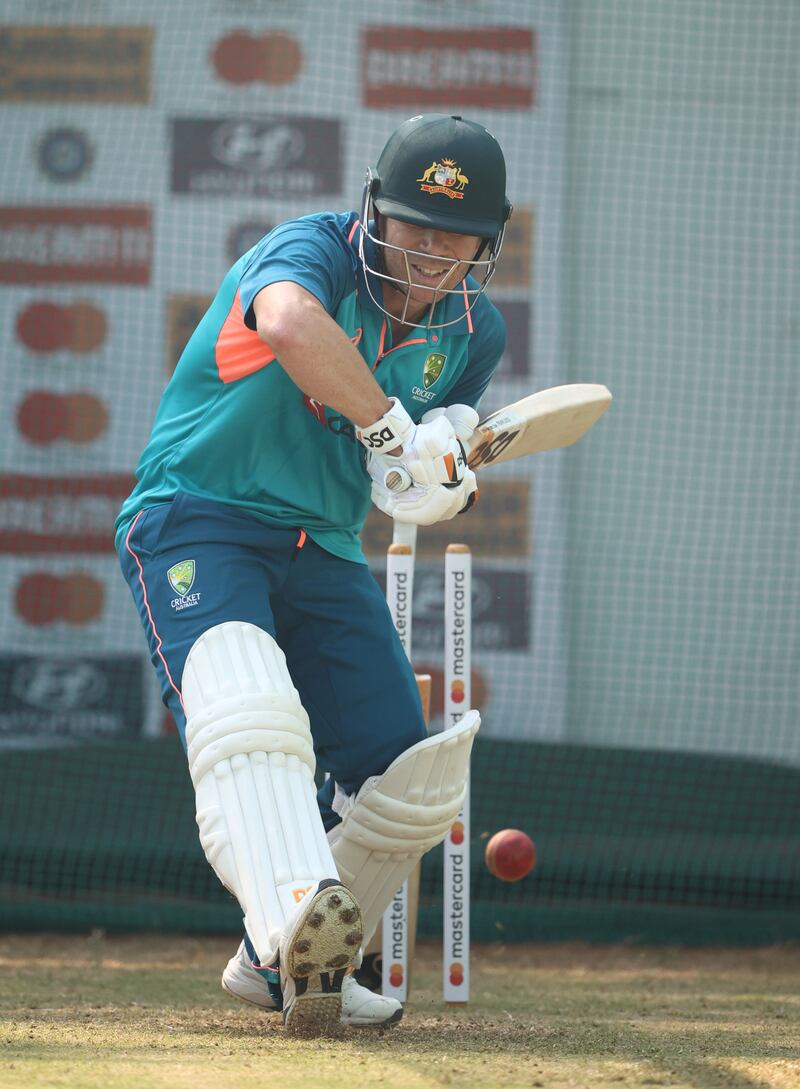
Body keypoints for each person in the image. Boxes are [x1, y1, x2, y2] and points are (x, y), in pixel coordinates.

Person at [116, 113, 512, 1036]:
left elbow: (417, 462)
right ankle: (285, 917)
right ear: (374, 211)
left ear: (484, 246)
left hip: (324, 544)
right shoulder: (310, 251)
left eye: (450, 237)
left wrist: (445, 466)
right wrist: (390, 429)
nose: (425, 253)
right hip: (198, 515)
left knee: (406, 780)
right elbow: (291, 323)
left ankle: (277, 961)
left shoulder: (473, 332)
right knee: (247, 707)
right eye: (411, 225)